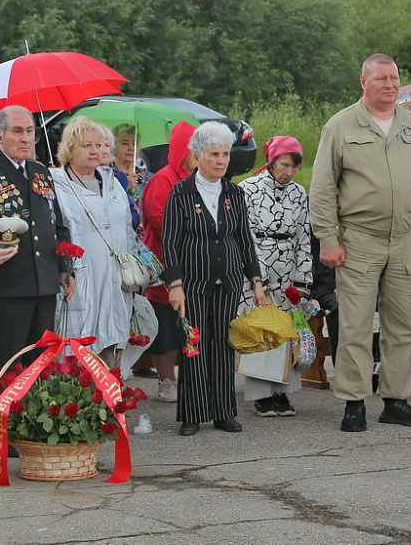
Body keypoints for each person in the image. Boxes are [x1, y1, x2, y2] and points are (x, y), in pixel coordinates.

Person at [309, 53, 411, 433]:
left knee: (403, 326)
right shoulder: (340, 125)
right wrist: (327, 239)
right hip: (359, 240)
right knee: (354, 326)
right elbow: (322, 188)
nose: (390, 85)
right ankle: (354, 403)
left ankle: (396, 401)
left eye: (394, 78)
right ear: (363, 82)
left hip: (408, 239)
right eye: (381, 78)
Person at [0, 106, 73, 399]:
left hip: (44, 284)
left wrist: (64, 267)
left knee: (42, 362)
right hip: (7, 286)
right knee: (6, 363)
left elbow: (57, 225)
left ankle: (35, 421)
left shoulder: (41, 172)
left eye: (30, 131)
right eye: (17, 131)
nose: (26, 138)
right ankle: (1, 420)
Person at [161, 122, 266, 436]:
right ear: (197, 156)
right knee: (193, 344)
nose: (221, 161)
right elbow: (170, 242)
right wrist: (175, 284)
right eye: (214, 154)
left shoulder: (234, 193)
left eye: (225, 154)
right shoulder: (181, 193)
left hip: (228, 281)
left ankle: (223, 411)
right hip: (192, 283)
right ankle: (192, 414)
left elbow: (244, 239)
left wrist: (256, 280)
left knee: (222, 344)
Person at [50, 117, 136, 366]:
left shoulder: (113, 183)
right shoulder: (55, 185)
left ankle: (110, 389)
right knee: (76, 349)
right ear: (69, 149)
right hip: (79, 280)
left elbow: (127, 230)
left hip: (115, 281)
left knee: (111, 346)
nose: (94, 151)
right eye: (86, 145)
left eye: (99, 145)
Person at [237, 136, 312, 417]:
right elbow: (244, 236)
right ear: (272, 161)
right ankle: (261, 394)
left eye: (294, 166)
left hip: (288, 267)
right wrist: (258, 277)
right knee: (261, 329)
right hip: (259, 264)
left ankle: (282, 390)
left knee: (287, 330)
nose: (289, 172)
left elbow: (304, 235)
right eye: (284, 165)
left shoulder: (299, 193)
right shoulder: (248, 189)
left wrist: (303, 278)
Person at [141, 122, 198, 402]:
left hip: (195, 264)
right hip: (165, 263)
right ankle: (167, 381)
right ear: (180, 150)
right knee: (165, 324)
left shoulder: (203, 178)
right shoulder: (162, 179)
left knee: (191, 322)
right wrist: (194, 229)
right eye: (193, 149)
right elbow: (158, 218)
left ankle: (192, 379)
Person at [113, 124, 153, 232]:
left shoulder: (149, 178)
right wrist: (124, 188)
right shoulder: (107, 177)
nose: (131, 148)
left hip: (145, 238)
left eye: (135, 144)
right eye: (125, 143)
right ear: (113, 149)